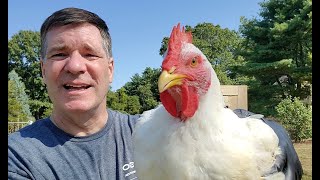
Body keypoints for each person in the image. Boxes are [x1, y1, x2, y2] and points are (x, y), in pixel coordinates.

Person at [8, 7, 302, 180]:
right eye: (59, 54)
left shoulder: (144, 129)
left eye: (89, 54)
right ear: (43, 69)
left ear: (110, 69)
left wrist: (272, 134)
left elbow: (224, 127)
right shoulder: (19, 157)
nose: (75, 66)